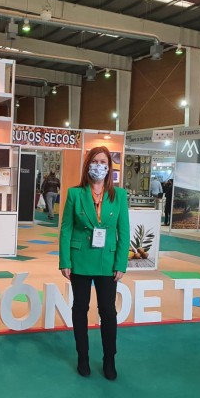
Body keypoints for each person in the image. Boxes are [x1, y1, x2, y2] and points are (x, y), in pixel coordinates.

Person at [59, 146, 130, 380]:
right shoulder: (75, 194)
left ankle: (110, 359)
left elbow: (124, 231)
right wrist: (64, 260)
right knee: (80, 309)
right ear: (87, 164)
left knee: (108, 311)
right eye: (94, 161)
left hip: (108, 263)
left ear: (109, 166)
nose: (98, 165)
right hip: (79, 260)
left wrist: (121, 264)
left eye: (103, 161)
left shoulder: (118, 195)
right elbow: (66, 229)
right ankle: (83, 357)